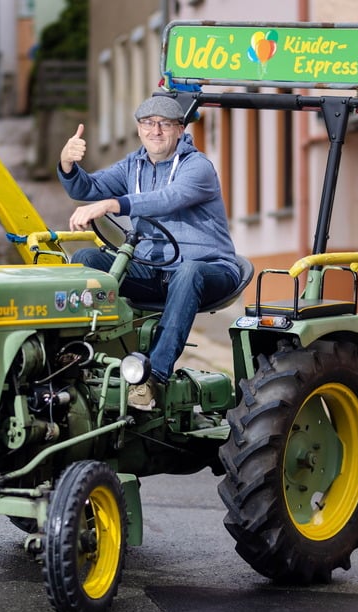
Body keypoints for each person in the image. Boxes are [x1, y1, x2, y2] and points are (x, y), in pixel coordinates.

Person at [58, 95, 240, 410]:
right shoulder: (133, 164)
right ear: (140, 129)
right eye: (147, 124)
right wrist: (68, 164)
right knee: (87, 260)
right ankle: (81, 352)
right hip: (153, 268)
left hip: (210, 269)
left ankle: (151, 376)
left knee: (189, 271)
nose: (155, 131)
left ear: (180, 129)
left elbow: (169, 198)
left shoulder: (198, 167)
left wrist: (115, 204)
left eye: (164, 124)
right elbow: (86, 189)